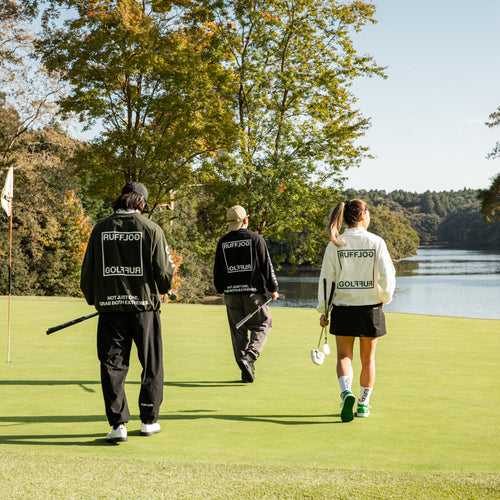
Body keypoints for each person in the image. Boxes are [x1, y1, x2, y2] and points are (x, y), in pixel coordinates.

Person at [80, 181, 175, 442]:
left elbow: (87, 273)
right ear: (141, 203)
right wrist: (165, 287)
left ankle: (118, 424)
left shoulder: (100, 229)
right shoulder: (151, 229)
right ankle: (148, 420)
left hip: (111, 309)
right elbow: (165, 272)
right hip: (144, 308)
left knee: (113, 365)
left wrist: (94, 299)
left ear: (121, 200)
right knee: (151, 364)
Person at [317, 199, 395, 422]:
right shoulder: (376, 241)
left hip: (343, 308)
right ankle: (363, 404)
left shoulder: (335, 243)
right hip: (370, 307)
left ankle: (346, 393)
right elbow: (387, 276)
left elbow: (326, 279)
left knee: (344, 357)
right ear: (363, 216)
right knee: (367, 359)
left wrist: (324, 310)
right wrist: (384, 298)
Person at [213, 205, 279, 383]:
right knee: (264, 324)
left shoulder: (223, 242)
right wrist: (273, 288)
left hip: (232, 295)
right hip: (252, 294)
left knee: (238, 332)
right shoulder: (256, 239)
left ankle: (245, 371)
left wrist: (220, 289)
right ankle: (249, 357)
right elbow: (267, 266)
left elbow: (218, 270)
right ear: (245, 220)